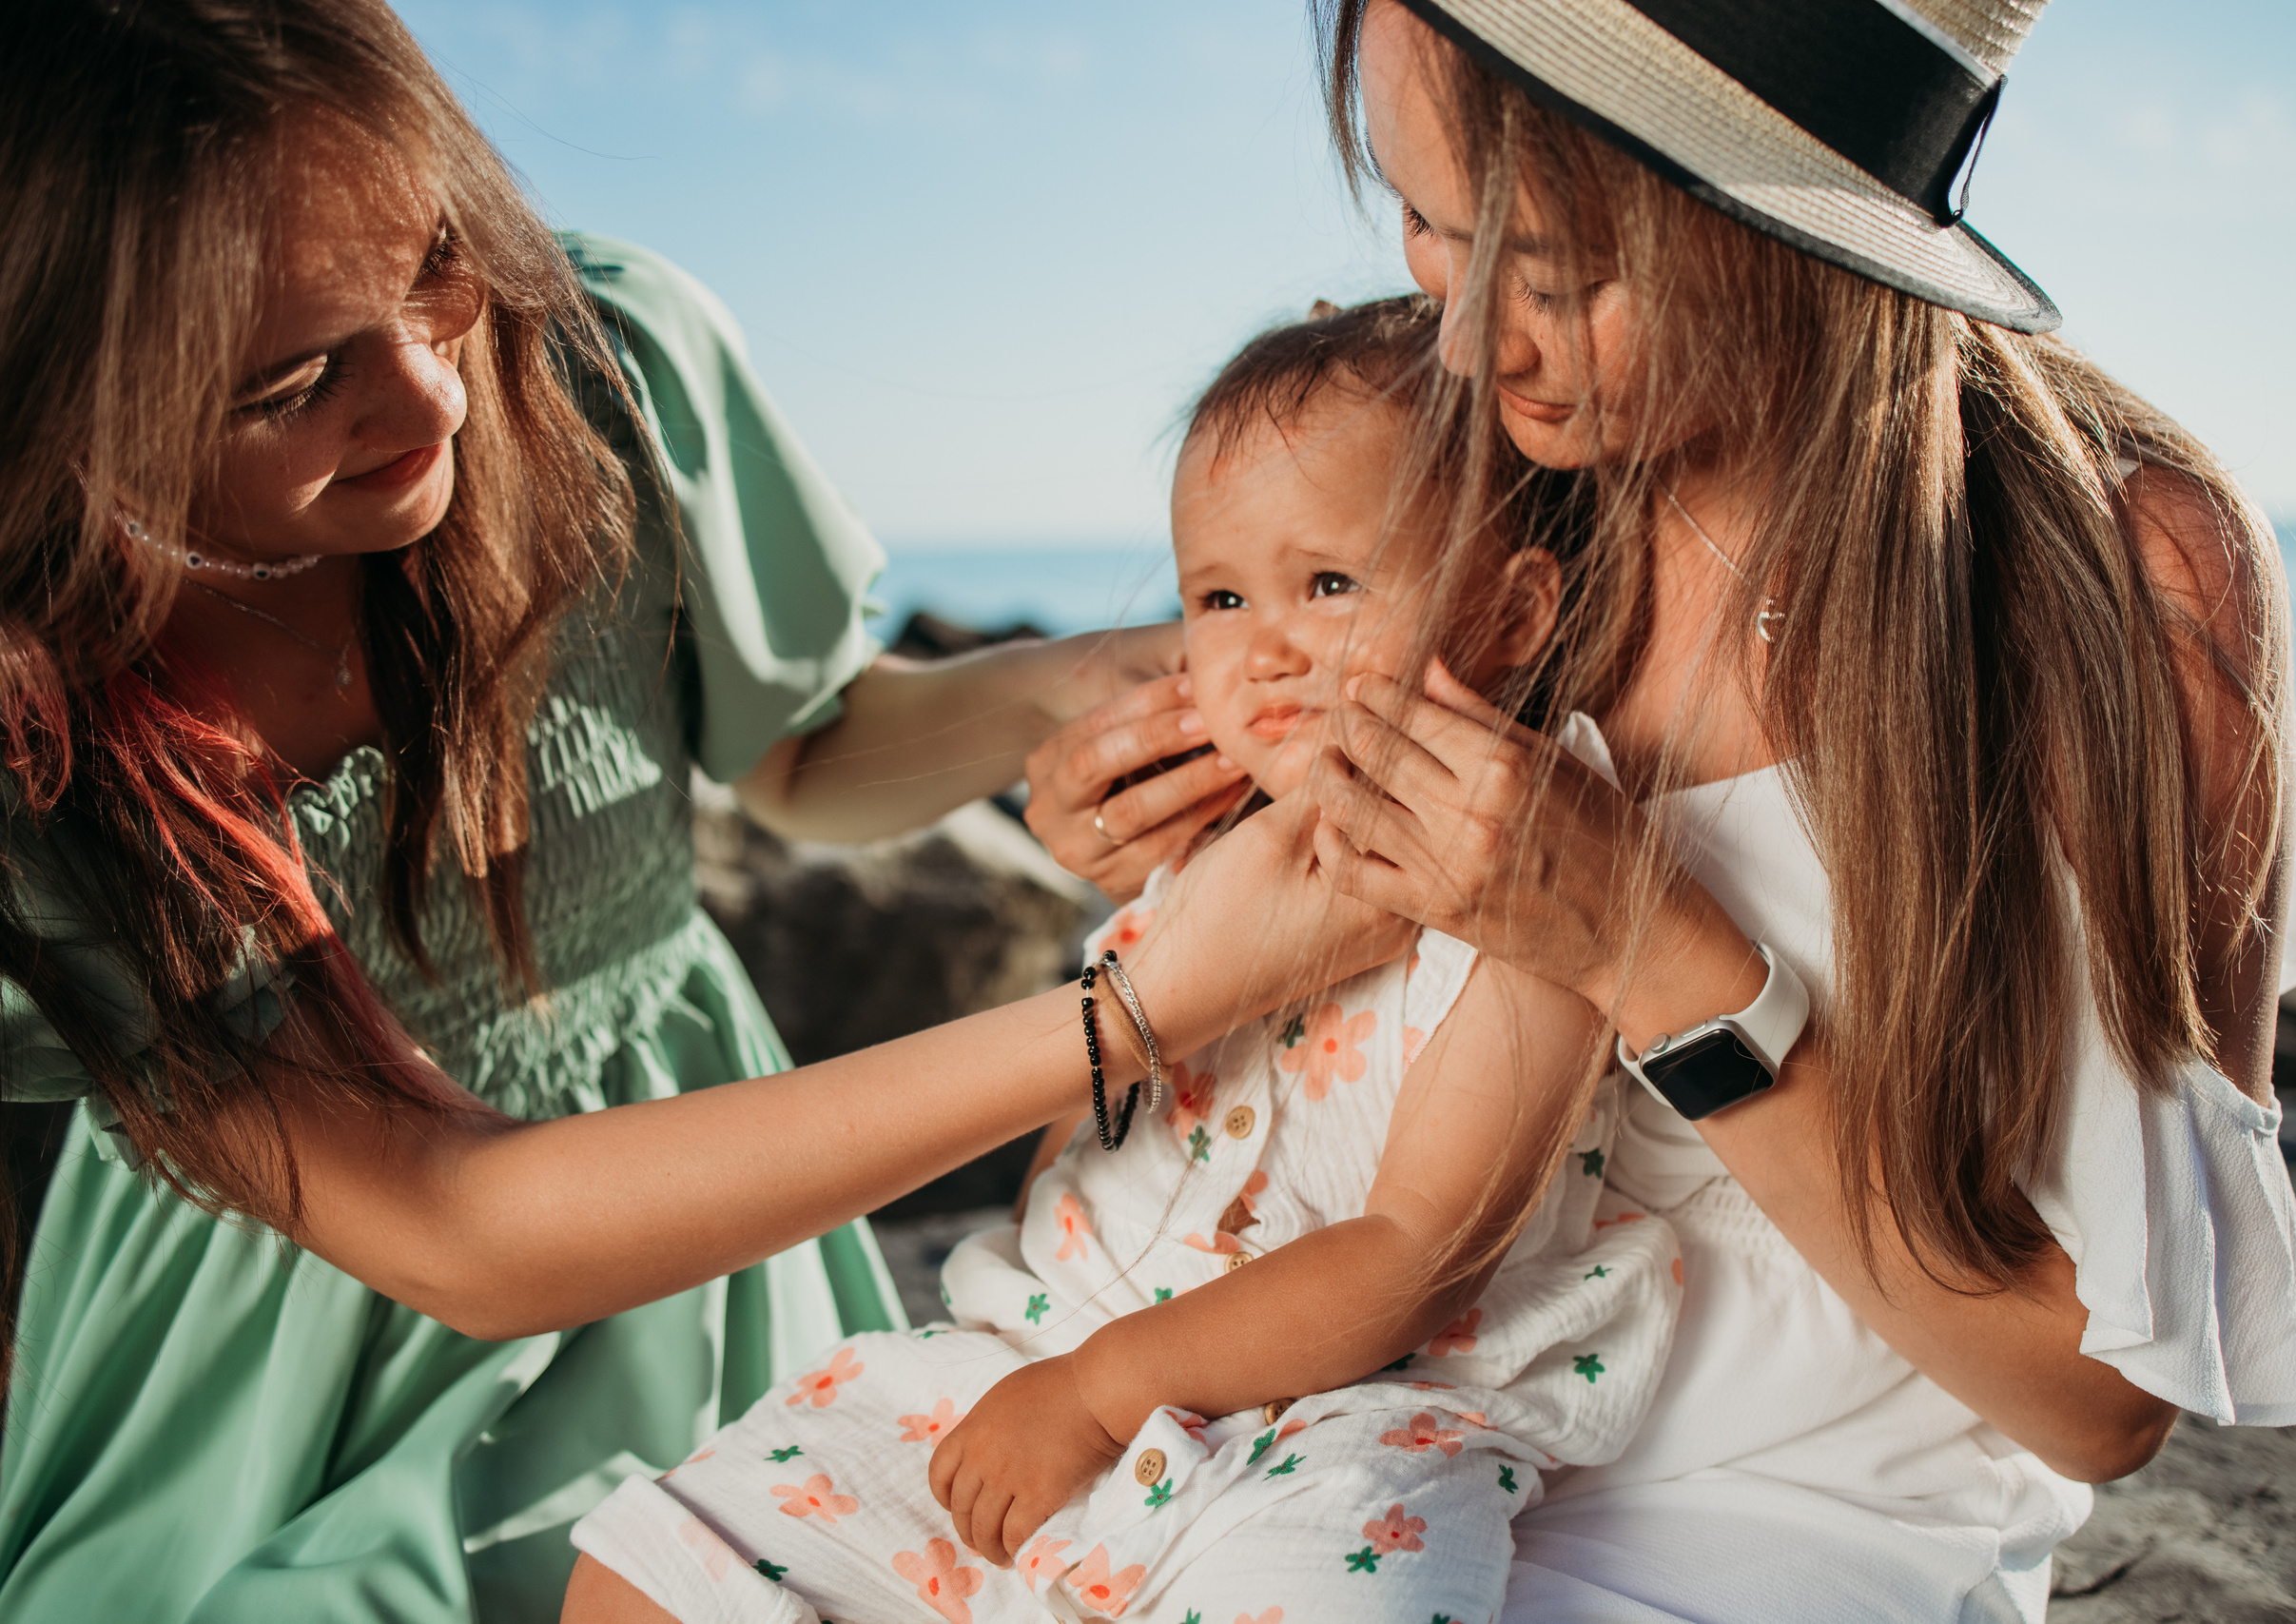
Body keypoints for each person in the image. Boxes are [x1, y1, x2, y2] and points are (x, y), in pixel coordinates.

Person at [0, 4, 1388, 1620]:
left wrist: (1081, 687)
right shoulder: (47, 745)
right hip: (272, 1344)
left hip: (719, 1221)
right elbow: (458, 1224)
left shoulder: (598, 364)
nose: (431, 396)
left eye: (437, 259)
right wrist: (1142, 1008)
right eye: (297, 383)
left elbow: (798, 753)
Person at [1268, 3, 2296, 1618]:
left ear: (1789, 227)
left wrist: (1664, 962)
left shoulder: (2120, 577)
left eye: (1551, 276)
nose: (1477, 342)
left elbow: (2110, 1399)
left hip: (1789, 1545)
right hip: (1383, 1446)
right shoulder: (1505, 488)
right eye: (1424, 223)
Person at [561, 298, 1682, 1624]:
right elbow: (1085, 1148)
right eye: (1216, 595)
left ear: (1510, 611)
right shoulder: (1211, 841)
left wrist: (1101, 1396)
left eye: (1329, 583)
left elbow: (1413, 1254)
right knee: (658, 1561)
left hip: (1334, 1430)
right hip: (1038, 1348)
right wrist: (1058, 1360)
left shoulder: (1527, 868)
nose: (1260, 644)